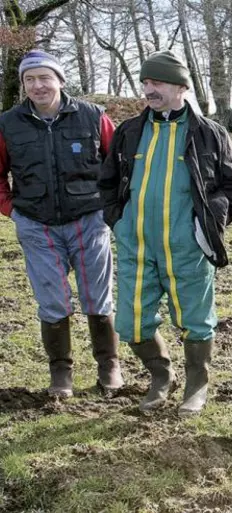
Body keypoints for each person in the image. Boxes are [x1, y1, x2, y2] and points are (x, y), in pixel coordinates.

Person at [98, 50, 232, 417]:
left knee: (196, 321)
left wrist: (207, 223)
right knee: (132, 323)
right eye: (146, 82)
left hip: (188, 248)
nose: (149, 89)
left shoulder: (210, 133)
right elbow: (108, 182)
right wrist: (118, 220)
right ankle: (161, 376)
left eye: (157, 82)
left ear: (181, 86)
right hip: (136, 246)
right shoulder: (130, 132)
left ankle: (197, 383)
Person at [0, 50, 122, 398]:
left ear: (60, 80)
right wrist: (13, 211)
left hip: (89, 220)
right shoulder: (7, 124)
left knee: (98, 298)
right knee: (51, 300)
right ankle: (61, 373)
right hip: (37, 226)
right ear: (23, 84)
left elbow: (117, 167)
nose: (37, 86)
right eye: (29, 79)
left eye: (44, 77)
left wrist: (107, 209)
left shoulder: (93, 116)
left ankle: (109, 365)